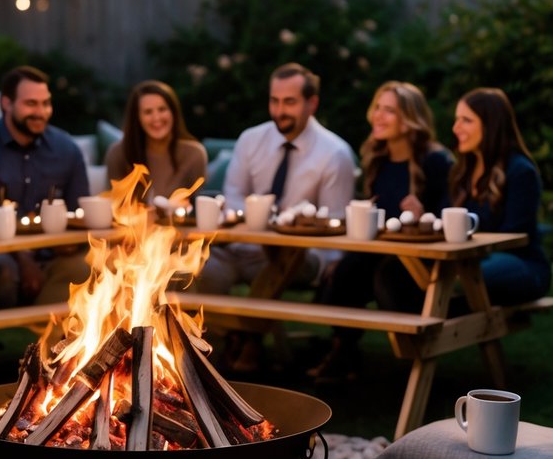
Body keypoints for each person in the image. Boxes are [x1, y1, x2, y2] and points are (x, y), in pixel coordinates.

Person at [194, 62, 355, 371]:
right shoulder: (251, 140)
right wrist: (256, 219)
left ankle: (246, 341)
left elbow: (336, 223)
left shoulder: (335, 153)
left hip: (300, 256)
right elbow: (234, 196)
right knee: (197, 265)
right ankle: (222, 345)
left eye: (290, 102)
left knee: (283, 257)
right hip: (243, 245)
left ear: (312, 103)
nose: (280, 110)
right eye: (274, 101)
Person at [309, 81, 453, 383]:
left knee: (383, 275)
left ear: (411, 118)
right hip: (380, 250)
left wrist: (423, 216)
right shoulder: (377, 158)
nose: (379, 116)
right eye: (378, 107)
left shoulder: (436, 161)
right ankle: (343, 350)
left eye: (390, 110)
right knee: (344, 270)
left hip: (419, 257)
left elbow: (452, 216)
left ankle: (414, 361)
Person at [0, 65, 90, 310]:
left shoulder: (67, 150)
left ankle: (49, 337)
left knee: (86, 268)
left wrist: (71, 240)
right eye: (31, 104)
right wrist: (20, 256)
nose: (41, 112)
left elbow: (80, 214)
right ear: (6, 103)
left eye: (46, 104)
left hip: (52, 255)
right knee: (0, 273)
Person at [449, 87, 550, 305]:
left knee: (457, 280)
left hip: (519, 264)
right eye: (457, 119)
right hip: (469, 262)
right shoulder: (461, 171)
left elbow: (514, 237)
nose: (455, 128)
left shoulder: (520, 171)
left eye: (466, 120)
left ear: (491, 125)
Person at [105, 80, 207, 202]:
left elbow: (200, 208)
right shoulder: (118, 153)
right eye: (148, 112)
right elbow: (114, 206)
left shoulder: (194, 154)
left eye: (162, 109)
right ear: (137, 118)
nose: (156, 118)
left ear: (173, 112)